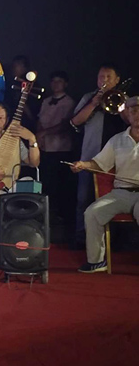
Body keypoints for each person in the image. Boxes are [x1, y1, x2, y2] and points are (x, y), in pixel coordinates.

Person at [70, 95, 139, 273]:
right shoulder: (117, 139)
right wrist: (83, 164)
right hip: (121, 192)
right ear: (127, 114)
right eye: (133, 111)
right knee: (92, 212)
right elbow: (99, 164)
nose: (137, 114)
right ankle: (97, 261)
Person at [70, 63, 127, 244]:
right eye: (101, 76)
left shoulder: (124, 98)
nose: (104, 80)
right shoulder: (89, 97)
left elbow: (130, 121)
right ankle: (81, 237)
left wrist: (121, 103)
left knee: (114, 200)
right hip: (90, 156)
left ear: (117, 80)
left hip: (118, 161)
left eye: (109, 77)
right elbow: (75, 122)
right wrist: (94, 103)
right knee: (83, 199)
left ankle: (113, 241)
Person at [0, 102, 40, 209]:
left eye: (1, 118)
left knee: (29, 182)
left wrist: (32, 139)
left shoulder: (13, 139)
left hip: (9, 188)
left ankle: (11, 204)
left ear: (7, 121)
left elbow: (34, 163)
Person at [36, 71, 76, 224]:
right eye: (53, 81)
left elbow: (66, 125)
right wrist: (39, 136)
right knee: (45, 182)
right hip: (45, 148)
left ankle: (59, 218)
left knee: (59, 185)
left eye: (59, 81)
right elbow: (39, 120)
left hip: (61, 149)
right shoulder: (46, 101)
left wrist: (44, 133)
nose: (56, 84)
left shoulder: (69, 102)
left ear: (65, 84)